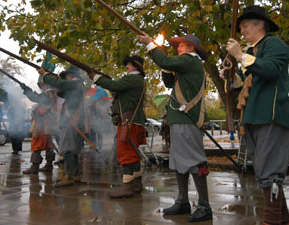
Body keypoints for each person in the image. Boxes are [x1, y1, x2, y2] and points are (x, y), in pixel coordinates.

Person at [224, 5, 289, 225]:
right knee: (264, 170)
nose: (242, 31)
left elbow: (271, 69)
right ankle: (284, 221)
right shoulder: (251, 52)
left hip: (271, 115)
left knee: (270, 171)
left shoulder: (275, 44)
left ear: (260, 25)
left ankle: (272, 221)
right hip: (252, 117)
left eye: (245, 26)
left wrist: (240, 55)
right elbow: (247, 86)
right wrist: (231, 75)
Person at [138, 33, 212, 222]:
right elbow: (170, 82)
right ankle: (183, 201)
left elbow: (167, 61)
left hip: (187, 119)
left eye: (181, 45)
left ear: (191, 48)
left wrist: (150, 45)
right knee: (180, 161)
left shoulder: (190, 61)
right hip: (180, 119)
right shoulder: (186, 65)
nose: (178, 48)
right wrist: (165, 67)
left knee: (194, 161)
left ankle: (204, 205)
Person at [89, 55, 146, 198]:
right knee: (133, 153)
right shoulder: (138, 80)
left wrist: (97, 78)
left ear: (135, 66)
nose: (126, 66)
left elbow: (115, 86)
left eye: (128, 64)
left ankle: (127, 187)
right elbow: (118, 90)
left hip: (129, 122)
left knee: (126, 153)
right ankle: (136, 183)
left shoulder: (132, 78)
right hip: (134, 121)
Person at [38, 66, 85, 187]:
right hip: (73, 120)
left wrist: (45, 74)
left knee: (68, 148)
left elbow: (60, 84)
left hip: (70, 120)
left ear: (71, 75)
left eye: (66, 76)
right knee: (72, 149)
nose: (66, 78)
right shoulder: (76, 86)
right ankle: (75, 175)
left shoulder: (75, 84)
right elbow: (60, 92)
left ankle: (69, 176)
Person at [20, 77, 58, 174]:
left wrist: (26, 90)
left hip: (42, 122)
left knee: (36, 143)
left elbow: (34, 97)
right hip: (47, 122)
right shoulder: (52, 94)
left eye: (44, 84)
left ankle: (35, 166)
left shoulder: (48, 94)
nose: (43, 86)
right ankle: (49, 165)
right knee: (48, 144)